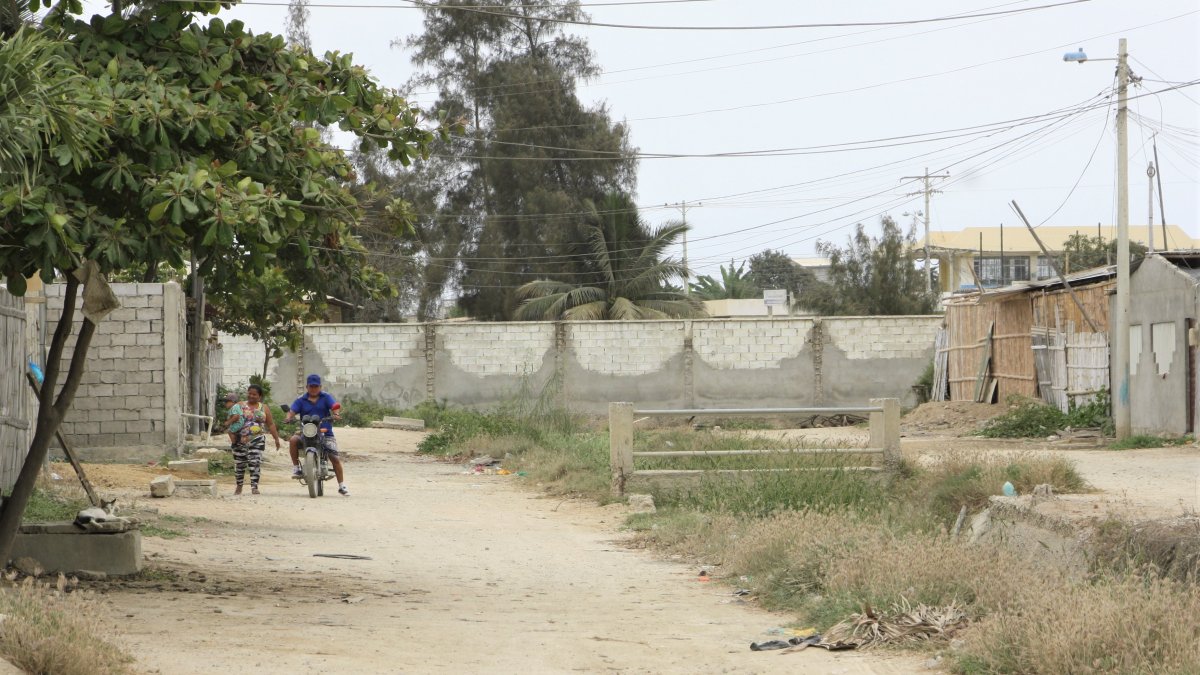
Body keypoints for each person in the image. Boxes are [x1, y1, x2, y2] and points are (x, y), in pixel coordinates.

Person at [285, 374, 348, 496]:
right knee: (293, 440)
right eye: (311, 386)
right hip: (307, 433)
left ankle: (341, 485)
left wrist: (336, 414)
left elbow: (334, 407)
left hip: (325, 432)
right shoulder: (301, 400)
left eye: (316, 386)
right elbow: (291, 411)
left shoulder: (326, 397)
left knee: (334, 457)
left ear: (320, 387)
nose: (313, 389)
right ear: (307, 387)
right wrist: (288, 418)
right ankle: (296, 468)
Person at [228, 383, 282, 495]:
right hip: (240, 439)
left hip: (257, 439)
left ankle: (254, 487)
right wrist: (232, 436)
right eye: (250, 393)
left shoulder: (264, 408)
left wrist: (276, 439)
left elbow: (271, 424)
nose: (251, 396)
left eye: (254, 394)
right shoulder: (239, 405)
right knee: (240, 463)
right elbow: (231, 420)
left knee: (255, 462)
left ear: (260, 396)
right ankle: (239, 486)